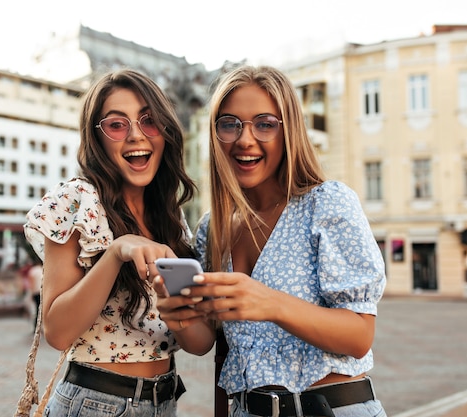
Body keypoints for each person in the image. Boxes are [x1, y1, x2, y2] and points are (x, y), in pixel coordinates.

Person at [155, 65, 387, 417]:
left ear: (288, 131)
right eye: (229, 123)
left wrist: (271, 303)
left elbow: (359, 337)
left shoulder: (326, 204)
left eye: (264, 123)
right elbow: (204, 343)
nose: (245, 139)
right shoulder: (213, 228)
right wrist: (177, 316)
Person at [21, 68, 214, 417]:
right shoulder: (78, 201)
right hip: (95, 403)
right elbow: (58, 332)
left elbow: (200, 344)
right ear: (97, 138)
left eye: (149, 121)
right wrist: (115, 251)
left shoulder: (170, 218)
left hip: (165, 402)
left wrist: (178, 308)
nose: (136, 136)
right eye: (117, 124)